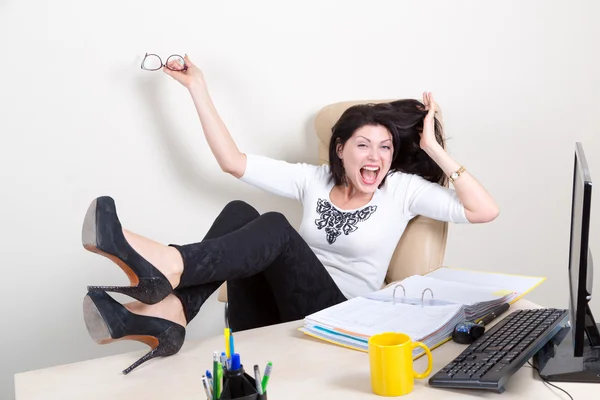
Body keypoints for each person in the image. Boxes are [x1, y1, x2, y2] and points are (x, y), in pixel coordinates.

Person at [81, 55, 499, 375]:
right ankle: (172, 313)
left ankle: (169, 269)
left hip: (341, 317)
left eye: (386, 147)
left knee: (276, 229)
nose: (376, 157)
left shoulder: (402, 191)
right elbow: (232, 161)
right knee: (239, 210)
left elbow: (484, 210)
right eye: (363, 145)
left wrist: (434, 149)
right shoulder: (314, 180)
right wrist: (197, 87)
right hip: (277, 312)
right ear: (339, 149)